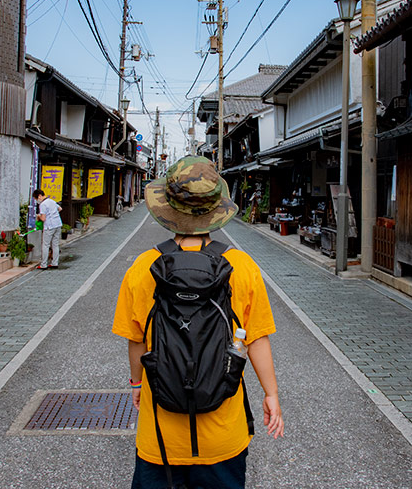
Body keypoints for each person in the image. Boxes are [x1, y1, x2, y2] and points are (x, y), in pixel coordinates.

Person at [113, 156, 284, 489]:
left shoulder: (143, 267)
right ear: (217, 208)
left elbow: (136, 341)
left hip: (160, 437)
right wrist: (271, 394)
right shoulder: (241, 266)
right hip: (223, 435)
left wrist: (136, 384)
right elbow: (257, 338)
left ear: (168, 207)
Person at [33, 188, 62, 269]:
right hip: (58, 224)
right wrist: (53, 214)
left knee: (45, 245)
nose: (36, 201)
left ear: (39, 196)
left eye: (36, 199)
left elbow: (43, 218)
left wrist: (38, 216)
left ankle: (43, 264)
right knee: (55, 244)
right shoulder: (51, 201)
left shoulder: (43, 204)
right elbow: (60, 209)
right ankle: (55, 263)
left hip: (49, 226)